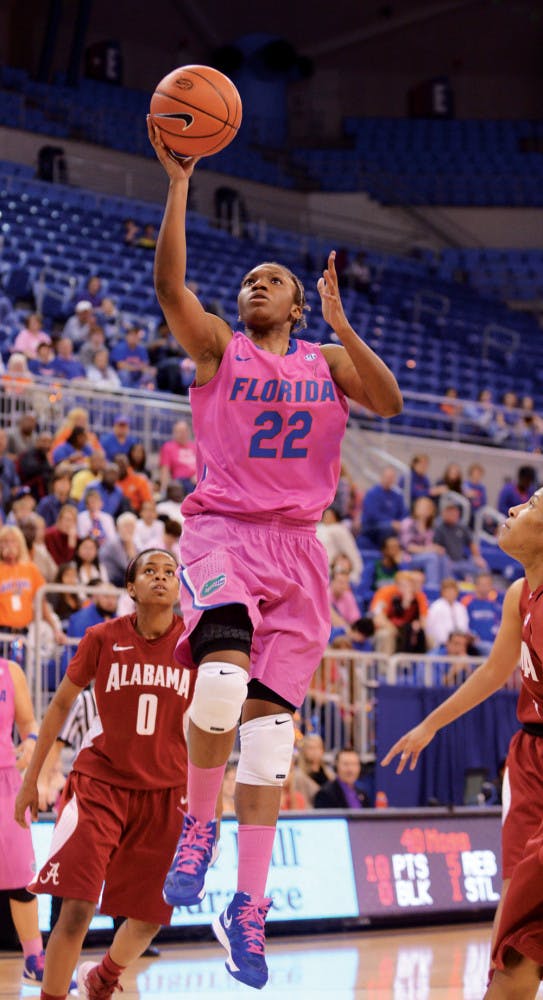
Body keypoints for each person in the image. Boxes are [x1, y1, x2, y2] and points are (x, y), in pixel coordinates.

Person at [147, 118, 402, 990]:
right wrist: (180, 183)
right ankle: (195, 827)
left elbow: (390, 401)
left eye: (273, 281)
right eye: (249, 278)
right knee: (217, 681)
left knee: (270, 748)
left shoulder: (325, 362)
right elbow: (170, 285)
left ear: (295, 305)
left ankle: (244, 911)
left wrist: (340, 324)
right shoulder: (219, 348)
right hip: (225, 531)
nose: (256, 285)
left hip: (298, 552)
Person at [380, 488, 543, 998]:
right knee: (516, 895)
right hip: (530, 758)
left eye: (534, 505)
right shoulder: (520, 593)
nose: (514, 509)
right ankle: (500, 984)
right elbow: (496, 671)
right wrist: (432, 723)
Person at [14, 549, 195, 1000]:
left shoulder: (198, 644)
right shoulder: (101, 637)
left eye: (170, 572)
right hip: (100, 786)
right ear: (130, 589)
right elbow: (59, 706)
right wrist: (30, 779)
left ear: (179, 587)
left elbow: (221, 720)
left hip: (166, 793)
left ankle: (105, 976)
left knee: (150, 918)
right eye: (149, 571)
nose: (161, 578)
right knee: (75, 909)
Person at [1, 655, 74, 990]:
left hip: (7, 783)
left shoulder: (10, 671)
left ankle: (34, 959)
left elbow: (30, 725)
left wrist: (29, 746)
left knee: (21, 874)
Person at [360, 466, 407, 548]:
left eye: (391, 477)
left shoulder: (397, 496)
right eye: (387, 477)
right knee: (387, 528)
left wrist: (400, 523)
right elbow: (372, 515)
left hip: (393, 526)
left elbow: (403, 512)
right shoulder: (372, 493)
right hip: (372, 526)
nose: (389, 480)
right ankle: (384, 552)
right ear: (382, 477)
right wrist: (391, 522)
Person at [425, 577, 470, 649]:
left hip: (461, 645)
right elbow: (434, 630)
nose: (451, 593)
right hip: (442, 645)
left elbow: (464, 627)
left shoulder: (461, 608)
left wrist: (460, 641)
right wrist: (449, 643)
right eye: (448, 591)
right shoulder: (436, 607)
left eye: (453, 591)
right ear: (442, 592)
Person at [158, 419, 197, 495]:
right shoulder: (168, 447)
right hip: (181, 482)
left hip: (197, 480)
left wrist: (198, 476)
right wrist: (163, 490)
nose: (183, 434)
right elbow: (165, 470)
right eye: (180, 431)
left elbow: (203, 467)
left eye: (185, 431)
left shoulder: (195, 447)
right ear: (174, 433)